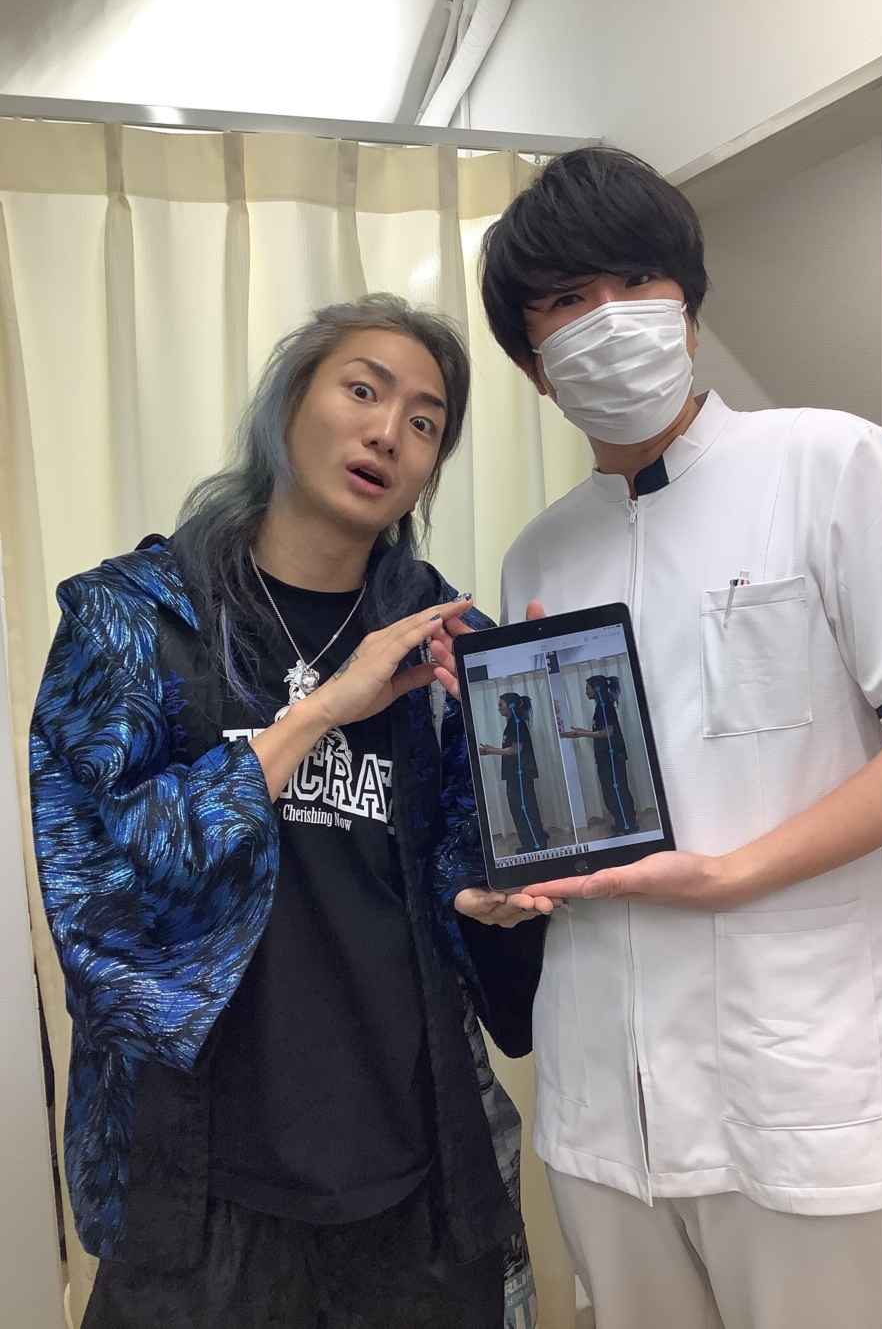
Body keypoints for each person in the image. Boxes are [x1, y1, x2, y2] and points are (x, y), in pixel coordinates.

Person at [476, 147, 882, 1329]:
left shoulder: (828, 462)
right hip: (602, 1095)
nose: (607, 318)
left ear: (689, 309)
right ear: (534, 368)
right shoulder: (538, 551)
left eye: (633, 281)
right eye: (565, 299)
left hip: (793, 1075)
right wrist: (522, 880)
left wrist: (730, 874)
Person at [30, 295, 552, 1329]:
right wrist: (315, 714)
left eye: (424, 422)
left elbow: (469, 878)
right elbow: (103, 889)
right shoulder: (132, 618)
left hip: (410, 1171)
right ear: (287, 404)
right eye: (362, 390)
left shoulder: (445, 644)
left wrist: (507, 859)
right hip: (199, 1182)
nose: (387, 433)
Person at [561, 675, 637, 835]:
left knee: (616, 792)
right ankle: (623, 823)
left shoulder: (605, 707)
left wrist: (582, 734)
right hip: (607, 757)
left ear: (596, 689)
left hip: (612, 757)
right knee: (613, 792)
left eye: (587, 688)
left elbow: (608, 732)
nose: (585, 692)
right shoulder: (601, 707)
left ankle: (628, 825)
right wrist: (581, 732)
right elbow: (602, 731)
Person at [480, 693, 550, 852]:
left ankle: (534, 845)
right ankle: (537, 840)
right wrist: (493, 749)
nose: (498, 709)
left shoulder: (516, 724)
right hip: (517, 774)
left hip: (520, 774)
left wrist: (491, 751)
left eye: (501, 705)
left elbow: (515, 749)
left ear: (511, 706)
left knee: (522, 809)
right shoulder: (514, 724)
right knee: (525, 808)